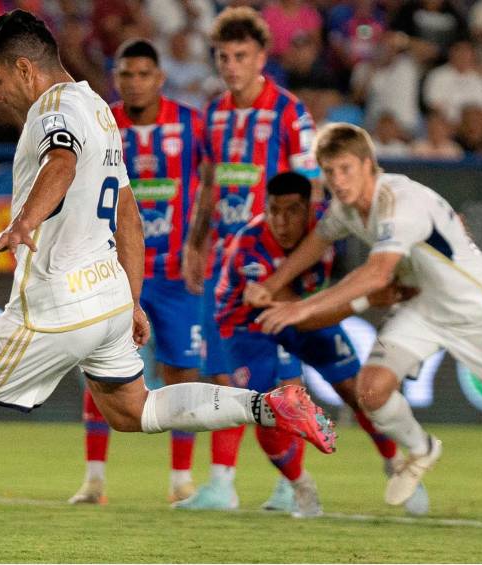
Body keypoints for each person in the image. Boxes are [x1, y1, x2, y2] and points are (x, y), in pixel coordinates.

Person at [0, 10, 336, 564]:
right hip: (106, 298)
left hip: (57, 306)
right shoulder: (99, 109)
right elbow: (127, 210)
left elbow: (61, 161)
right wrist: (131, 296)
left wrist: (24, 222)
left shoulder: (52, 111)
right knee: (133, 410)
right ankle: (268, 406)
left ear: (25, 70)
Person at [249, 122, 482, 509]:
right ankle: (421, 450)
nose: (338, 179)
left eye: (346, 169)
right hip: (423, 307)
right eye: (330, 172)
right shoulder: (346, 208)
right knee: (371, 389)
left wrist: (303, 306)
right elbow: (318, 242)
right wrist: (274, 283)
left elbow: (377, 273)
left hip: (479, 311)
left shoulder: (400, 203)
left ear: (369, 165)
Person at [178, 171, 426, 516]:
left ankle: (396, 464)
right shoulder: (250, 245)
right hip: (249, 328)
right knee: (266, 411)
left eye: (292, 211)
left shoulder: (330, 225)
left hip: (307, 316)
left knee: (360, 393)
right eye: (274, 210)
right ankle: (300, 487)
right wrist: (369, 298)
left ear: (310, 209)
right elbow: (289, 303)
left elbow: (375, 231)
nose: (281, 221)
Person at [182, 5, 321, 506]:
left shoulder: (289, 112)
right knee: (221, 373)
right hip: (223, 264)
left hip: (271, 268)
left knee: (281, 379)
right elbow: (209, 184)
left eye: (241, 55)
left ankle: (293, 483)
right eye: (223, 56)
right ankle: (222, 483)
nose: (231, 65)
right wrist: (195, 244)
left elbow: (311, 190)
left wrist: (296, 266)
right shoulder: (215, 113)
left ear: (262, 56)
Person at [67, 39, 204, 506]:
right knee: (99, 368)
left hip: (174, 272)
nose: (134, 82)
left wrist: (202, 243)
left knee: (181, 371)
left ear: (159, 78)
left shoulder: (191, 124)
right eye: (126, 74)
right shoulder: (102, 120)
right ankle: (94, 480)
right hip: (112, 269)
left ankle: (181, 481)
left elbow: (214, 183)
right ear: (116, 78)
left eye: (144, 73)